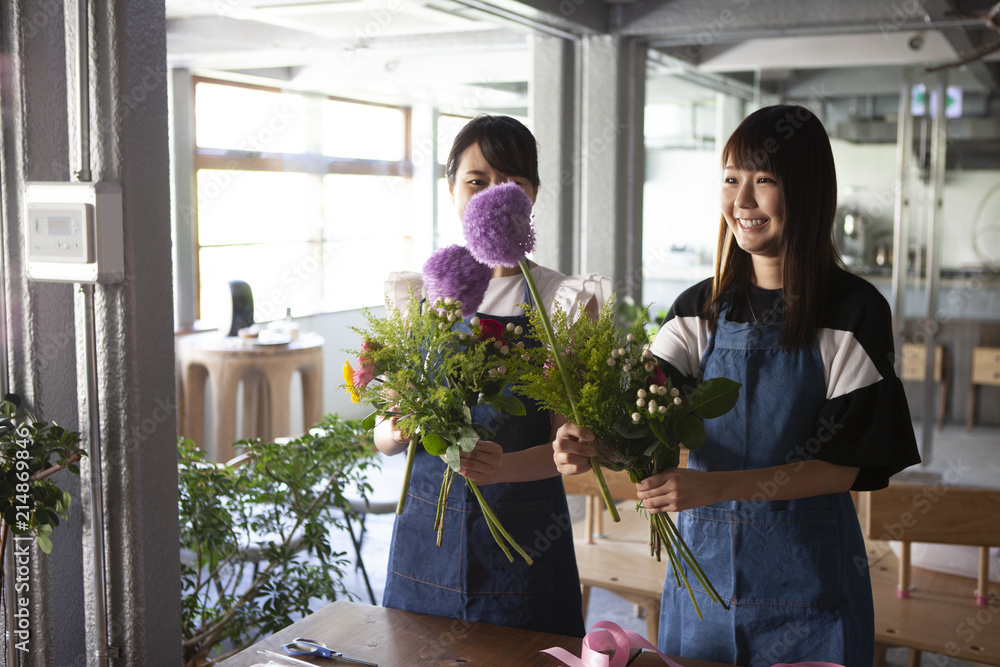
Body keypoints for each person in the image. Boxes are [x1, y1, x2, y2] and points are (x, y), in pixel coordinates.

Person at [552, 105, 920, 666]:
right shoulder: (698, 310)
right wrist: (592, 444)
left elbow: (845, 465)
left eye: (764, 180)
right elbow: (641, 425)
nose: (742, 202)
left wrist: (715, 488)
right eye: (731, 179)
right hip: (705, 582)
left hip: (811, 585)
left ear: (808, 190)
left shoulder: (854, 312)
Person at [375, 114, 608, 637]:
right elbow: (383, 437)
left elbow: (568, 449)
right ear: (450, 187)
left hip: (526, 538)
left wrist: (500, 469)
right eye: (476, 181)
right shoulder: (417, 295)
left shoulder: (564, 301)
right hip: (424, 536)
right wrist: (398, 428)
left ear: (533, 195)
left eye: (512, 183)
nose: (491, 196)